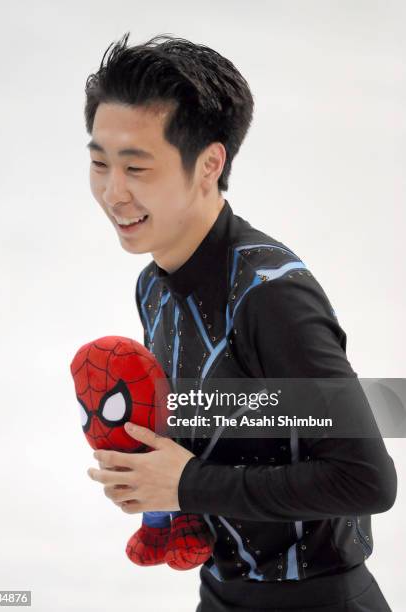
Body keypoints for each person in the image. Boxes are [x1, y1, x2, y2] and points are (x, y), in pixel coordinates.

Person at [84, 32, 397, 611]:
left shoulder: (271, 295)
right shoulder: (152, 285)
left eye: (137, 167)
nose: (113, 192)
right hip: (221, 594)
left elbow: (367, 480)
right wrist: (150, 474)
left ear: (209, 164)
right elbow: (233, 433)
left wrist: (187, 484)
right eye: (100, 163)